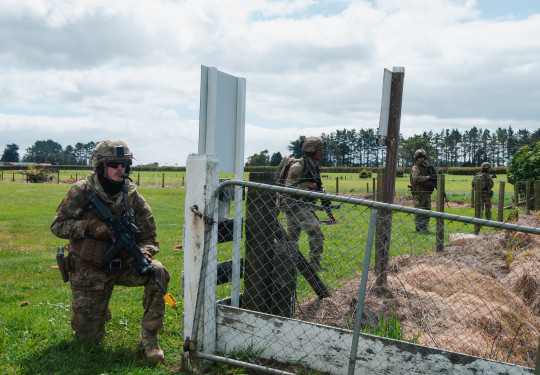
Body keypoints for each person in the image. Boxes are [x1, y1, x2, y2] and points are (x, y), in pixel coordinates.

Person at [50, 140, 170, 362]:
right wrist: (90, 227)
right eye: (114, 164)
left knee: (157, 271)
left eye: (124, 164)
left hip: (124, 265)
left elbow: (149, 237)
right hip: (90, 269)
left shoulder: (132, 196)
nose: (120, 169)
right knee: (87, 342)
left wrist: (144, 254)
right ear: (100, 166)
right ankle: (98, 310)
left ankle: (150, 338)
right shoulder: (81, 192)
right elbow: (57, 226)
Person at [280, 137, 327, 271]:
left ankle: (286, 263)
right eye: (320, 149)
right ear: (312, 150)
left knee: (291, 239)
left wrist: (318, 190)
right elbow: (288, 190)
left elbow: (311, 184)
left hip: (301, 205)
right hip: (294, 206)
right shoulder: (298, 167)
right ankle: (314, 264)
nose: (322, 152)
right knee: (315, 231)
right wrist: (308, 187)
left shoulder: (313, 165)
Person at [409, 149, 436, 232]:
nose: (421, 159)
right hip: (419, 193)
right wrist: (428, 178)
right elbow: (416, 178)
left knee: (427, 211)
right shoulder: (415, 167)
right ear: (416, 158)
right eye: (419, 157)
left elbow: (433, 176)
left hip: (427, 192)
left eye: (422, 157)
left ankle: (424, 227)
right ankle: (419, 228)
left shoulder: (428, 167)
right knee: (419, 211)